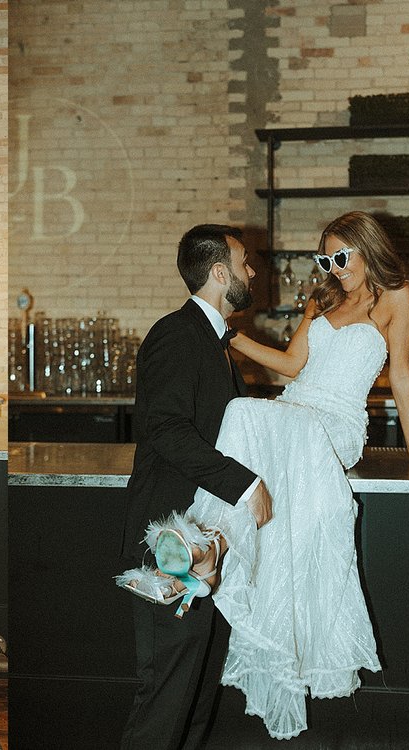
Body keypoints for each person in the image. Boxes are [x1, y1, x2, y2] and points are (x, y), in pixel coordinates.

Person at [128, 211, 409, 740]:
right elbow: (289, 366)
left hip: (334, 424)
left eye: (341, 257)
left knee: (249, 418)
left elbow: (400, 373)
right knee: (244, 413)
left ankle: (203, 549)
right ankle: (209, 549)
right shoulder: (323, 301)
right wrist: (225, 337)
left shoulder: (396, 298)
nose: (334, 268)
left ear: (365, 248)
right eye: (325, 259)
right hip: (296, 409)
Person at [118, 224, 274, 750]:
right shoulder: (175, 333)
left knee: (196, 704)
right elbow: (166, 428)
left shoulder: (214, 341)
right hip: (169, 546)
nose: (252, 271)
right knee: (165, 703)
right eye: (245, 262)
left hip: (208, 544)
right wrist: (244, 483)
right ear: (219, 273)